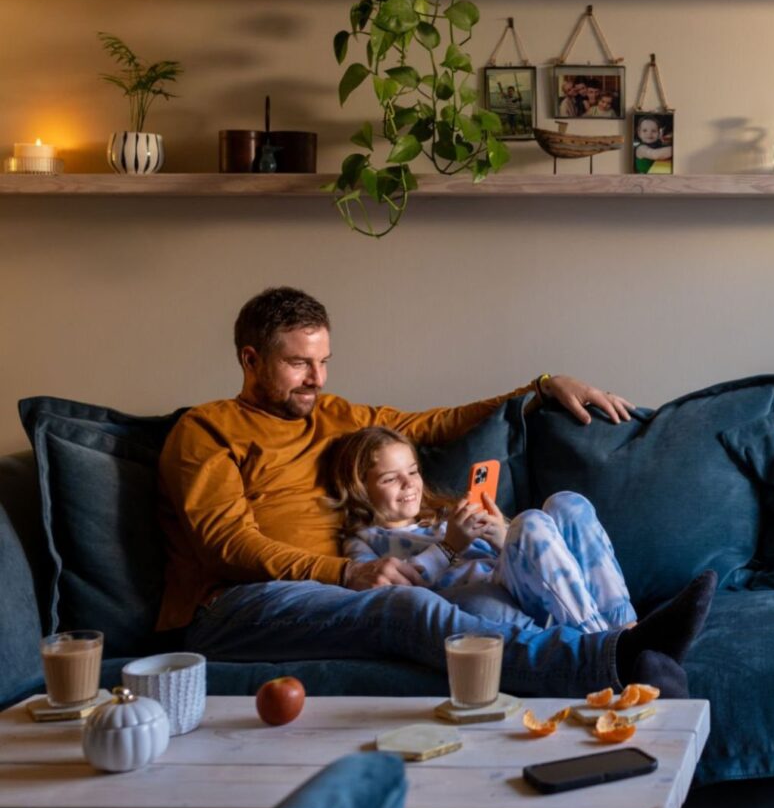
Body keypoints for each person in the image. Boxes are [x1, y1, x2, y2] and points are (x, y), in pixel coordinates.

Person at [157, 286, 716, 698]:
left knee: (522, 544)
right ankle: (611, 662)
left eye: (324, 361)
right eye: (299, 363)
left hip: (340, 590)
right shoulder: (206, 430)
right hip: (240, 604)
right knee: (406, 606)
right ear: (250, 359)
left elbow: (431, 425)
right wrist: (347, 574)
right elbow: (226, 544)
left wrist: (539, 387)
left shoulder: (334, 415)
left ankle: (630, 637)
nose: (317, 379)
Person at [333, 425, 637, 633]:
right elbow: (388, 595)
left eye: (412, 471)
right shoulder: (365, 541)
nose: (409, 483)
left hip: (526, 580)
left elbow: (533, 554)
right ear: (360, 488)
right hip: (490, 597)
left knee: (565, 503)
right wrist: (449, 547)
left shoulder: (444, 513)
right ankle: (600, 644)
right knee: (530, 521)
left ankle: (627, 629)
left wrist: (498, 536)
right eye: (390, 478)